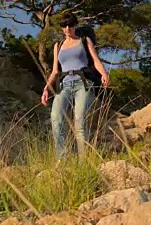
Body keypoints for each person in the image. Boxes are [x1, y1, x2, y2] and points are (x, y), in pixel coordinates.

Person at [41, 13, 110, 161]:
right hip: (64, 85)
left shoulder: (84, 41)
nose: (67, 29)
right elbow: (55, 70)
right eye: (64, 26)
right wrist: (46, 88)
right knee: (56, 117)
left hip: (83, 84)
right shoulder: (57, 46)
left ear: (75, 26)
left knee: (79, 121)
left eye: (70, 25)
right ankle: (62, 159)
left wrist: (104, 74)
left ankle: (83, 161)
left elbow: (95, 61)